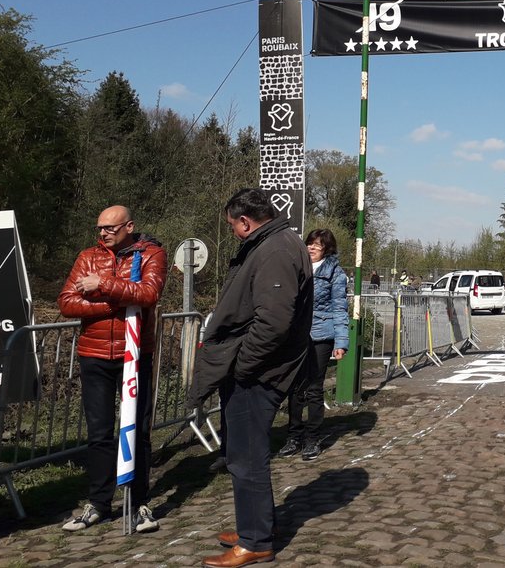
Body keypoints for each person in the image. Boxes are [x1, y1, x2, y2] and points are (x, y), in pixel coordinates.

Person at [189, 188, 313, 568]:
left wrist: (242, 367)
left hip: (259, 372)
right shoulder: (277, 243)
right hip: (260, 368)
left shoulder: (275, 249)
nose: (232, 233)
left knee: (246, 457)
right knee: (245, 453)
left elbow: (273, 323)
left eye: (232, 226)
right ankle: (255, 525)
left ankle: (256, 539)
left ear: (246, 221)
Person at [58, 205, 166, 533]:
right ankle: (99, 503)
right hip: (94, 354)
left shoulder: (150, 253)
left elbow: (148, 293)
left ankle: (139, 501)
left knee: (137, 429)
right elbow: (66, 302)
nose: (103, 233)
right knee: (99, 433)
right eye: (100, 228)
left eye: (110, 228)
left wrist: (102, 285)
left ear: (128, 226)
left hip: (135, 354)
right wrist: (112, 302)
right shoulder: (88, 256)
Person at [277, 229, 349, 461]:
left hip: (321, 335)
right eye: (309, 243)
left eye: (317, 245)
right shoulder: (297, 268)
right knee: (295, 388)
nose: (311, 248)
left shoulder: (335, 274)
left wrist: (341, 342)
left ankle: (312, 438)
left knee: (314, 389)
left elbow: (339, 309)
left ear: (327, 249)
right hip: (297, 335)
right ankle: (293, 436)